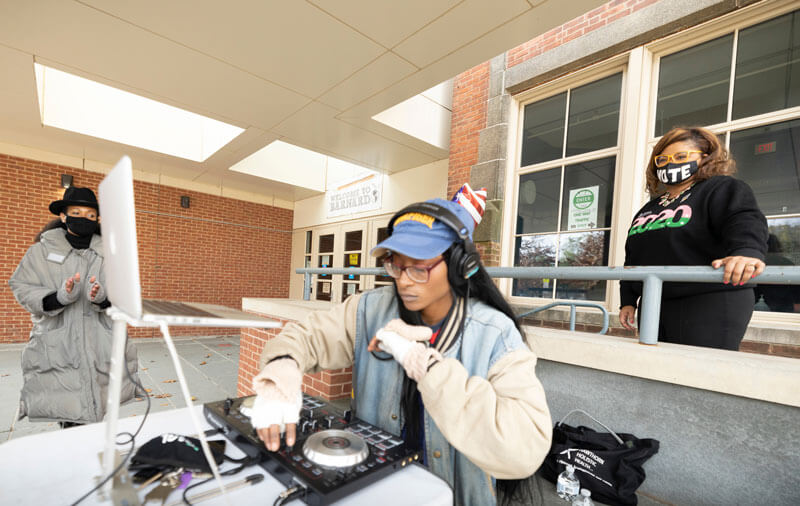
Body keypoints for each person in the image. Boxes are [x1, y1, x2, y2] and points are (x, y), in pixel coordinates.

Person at [249, 197, 552, 505]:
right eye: (396, 264)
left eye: (419, 268)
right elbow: (305, 337)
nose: (404, 280)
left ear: (461, 266)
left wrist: (424, 365)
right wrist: (281, 367)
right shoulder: (369, 309)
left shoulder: (496, 334)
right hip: (375, 491)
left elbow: (524, 450)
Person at [619, 126, 769, 350]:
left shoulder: (722, 188)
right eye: (663, 159)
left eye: (681, 156)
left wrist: (746, 251)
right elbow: (633, 257)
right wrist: (628, 300)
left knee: (697, 374)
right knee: (656, 373)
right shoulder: (650, 207)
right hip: (655, 300)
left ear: (706, 158)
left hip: (708, 298)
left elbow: (743, 219)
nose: (672, 163)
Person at [9, 186, 139, 427]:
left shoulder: (110, 255)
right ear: (63, 216)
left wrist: (102, 298)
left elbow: (126, 294)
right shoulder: (39, 252)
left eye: (91, 215)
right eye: (77, 212)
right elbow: (20, 285)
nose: (84, 219)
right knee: (68, 411)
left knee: (98, 406)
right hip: (58, 345)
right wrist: (58, 298)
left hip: (100, 342)